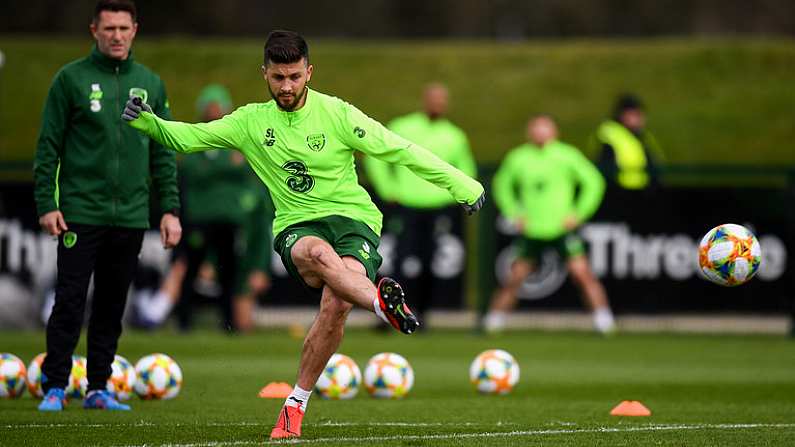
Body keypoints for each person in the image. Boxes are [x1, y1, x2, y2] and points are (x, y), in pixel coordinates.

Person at [121, 30, 485, 439]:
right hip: (298, 224)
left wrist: (462, 184)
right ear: (265, 75)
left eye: (295, 76)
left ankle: (295, 404)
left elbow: (399, 149)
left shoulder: (338, 114)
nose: (287, 86)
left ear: (309, 72)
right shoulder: (250, 122)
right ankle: (381, 305)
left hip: (353, 221)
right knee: (318, 256)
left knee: (336, 305)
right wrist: (148, 121)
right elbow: (188, 138)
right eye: (278, 78)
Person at [32, 0, 180, 412]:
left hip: (131, 215)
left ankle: (99, 387)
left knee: (113, 305)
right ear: (94, 30)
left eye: (124, 28)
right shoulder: (71, 80)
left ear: (135, 30)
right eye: (109, 28)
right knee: (70, 301)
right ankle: (55, 387)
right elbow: (48, 146)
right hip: (80, 211)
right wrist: (47, 201)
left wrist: (169, 209)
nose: (116, 35)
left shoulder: (150, 83)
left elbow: (163, 151)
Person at [134, 84, 273, 332]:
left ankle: (227, 324)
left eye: (218, 107)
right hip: (198, 222)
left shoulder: (238, 146)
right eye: (210, 107)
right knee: (189, 270)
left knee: (229, 275)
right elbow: (191, 170)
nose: (214, 112)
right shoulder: (196, 148)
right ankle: (183, 322)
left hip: (229, 224)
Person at [483, 115, 616, 334]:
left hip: (561, 229)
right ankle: (493, 320)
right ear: (529, 133)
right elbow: (502, 185)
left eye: (545, 129)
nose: (540, 134)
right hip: (533, 229)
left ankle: (604, 320)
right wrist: (513, 213)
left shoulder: (566, 155)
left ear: (554, 132)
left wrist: (579, 213)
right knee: (515, 276)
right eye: (536, 129)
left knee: (582, 273)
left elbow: (594, 182)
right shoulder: (518, 157)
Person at [364, 83, 476, 326]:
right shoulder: (404, 126)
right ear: (425, 100)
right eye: (434, 99)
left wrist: (451, 196)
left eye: (441, 100)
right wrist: (387, 189)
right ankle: (387, 312)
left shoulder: (454, 135)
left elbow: (465, 170)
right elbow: (376, 157)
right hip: (405, 205)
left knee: (429, 262)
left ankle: (421, 314)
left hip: (437, 208)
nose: (437, 104)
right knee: (396, 259)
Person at [592, 93, 665, 191]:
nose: (641, 119)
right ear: (623, 115)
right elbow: (605, 168)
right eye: (635, 115)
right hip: (621, 193)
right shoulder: (610, 135)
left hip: (641, 191)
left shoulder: (641, 136)